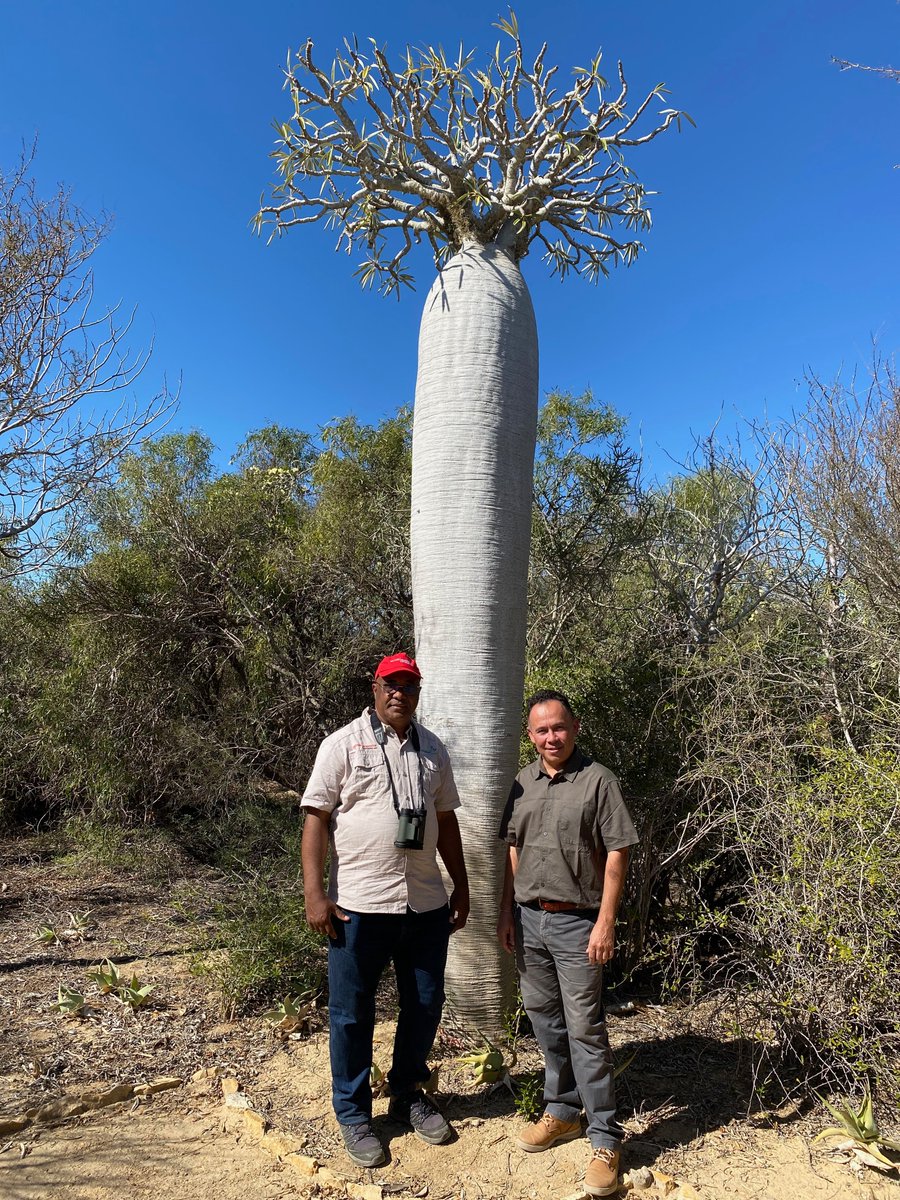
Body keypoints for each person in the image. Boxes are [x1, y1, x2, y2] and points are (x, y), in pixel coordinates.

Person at [301, 651, 470, 1169]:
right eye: (391, 684)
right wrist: (314, 893)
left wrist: (460, 887)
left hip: (424, 904)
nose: (401, 693)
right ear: (375, 689)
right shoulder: (342, 745)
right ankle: (353, 1114)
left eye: (410, 686)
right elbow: (315, 818)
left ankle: (407, 1095)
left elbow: (446, 823)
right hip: (359, 907)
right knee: (352, 1014)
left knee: (424, 1003)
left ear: (418, 694)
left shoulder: (433, 749)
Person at [497, 689, 638, 1199]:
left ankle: (605, 1138)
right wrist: (509, 912)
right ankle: (561, 1110)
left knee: (585, 1029)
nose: (551, 737)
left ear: (574, 728)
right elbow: (513, 850)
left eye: (558, 727)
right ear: (530, 736)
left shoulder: (598, 781)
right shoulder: (523, 782)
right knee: (544, 1021)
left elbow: (618, 854)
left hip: (579, 924)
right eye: (541, 730)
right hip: (529, 921)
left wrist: (606, 922)